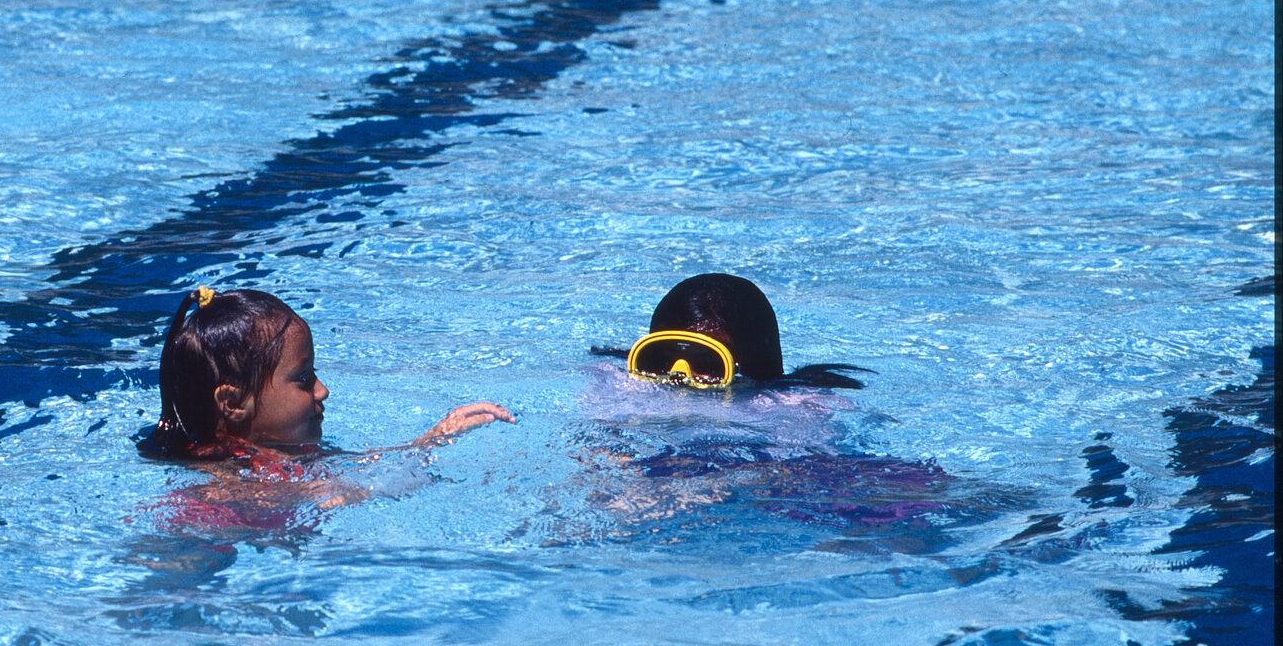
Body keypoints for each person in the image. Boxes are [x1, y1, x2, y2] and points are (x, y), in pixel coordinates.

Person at [139, 285, 513, 466]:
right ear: (235, 402)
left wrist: (431, 439)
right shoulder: (225, 470)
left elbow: (359, 467)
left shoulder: (279, 452)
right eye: (303, 379)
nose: (323, 390)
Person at [594, 272, 870, 390]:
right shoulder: (614, 385)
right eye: (658, 360)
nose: (679, 377)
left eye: (709, 364)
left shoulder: (796, 408)